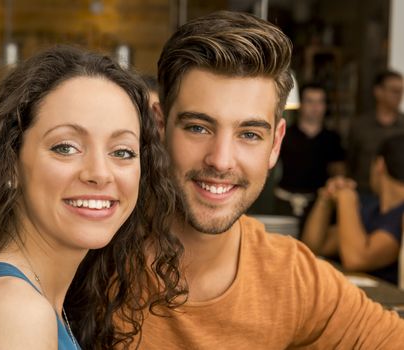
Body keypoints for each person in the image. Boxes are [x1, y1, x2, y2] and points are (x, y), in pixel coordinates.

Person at [105, 11, 404, 348]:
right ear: (159, 128)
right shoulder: (94, 258)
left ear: (275, 143)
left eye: (248, 134)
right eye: (198, 128)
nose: (220, 160)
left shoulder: (289, 275)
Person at [0, 46, 185, 349]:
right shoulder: (12, 312)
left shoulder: (35, 298)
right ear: (9, 164)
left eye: (122, 152)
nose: (100, 173)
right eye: (66, 147)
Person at [302, 134, 404, 285]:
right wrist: (325, 200)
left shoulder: (401, 214)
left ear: (380, 164)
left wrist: (346, 200)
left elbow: (357, 259)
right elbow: (315, 246)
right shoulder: (372, 209)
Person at [275, 83, 345, 227]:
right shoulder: (284, 134)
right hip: (284, 201)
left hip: (319, 204)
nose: (315, 107)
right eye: (310, 101)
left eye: (320, 102)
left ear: (325, 106)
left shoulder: (332, 138)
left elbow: (339, 171)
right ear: (301, 104)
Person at [348, 70, 404, 194]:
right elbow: (351, 160)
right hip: (364, 192)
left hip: (396, 196)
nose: (399, 95)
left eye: (401, 91)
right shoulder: (360, 125)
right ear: (378, 92)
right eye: (394, 91)